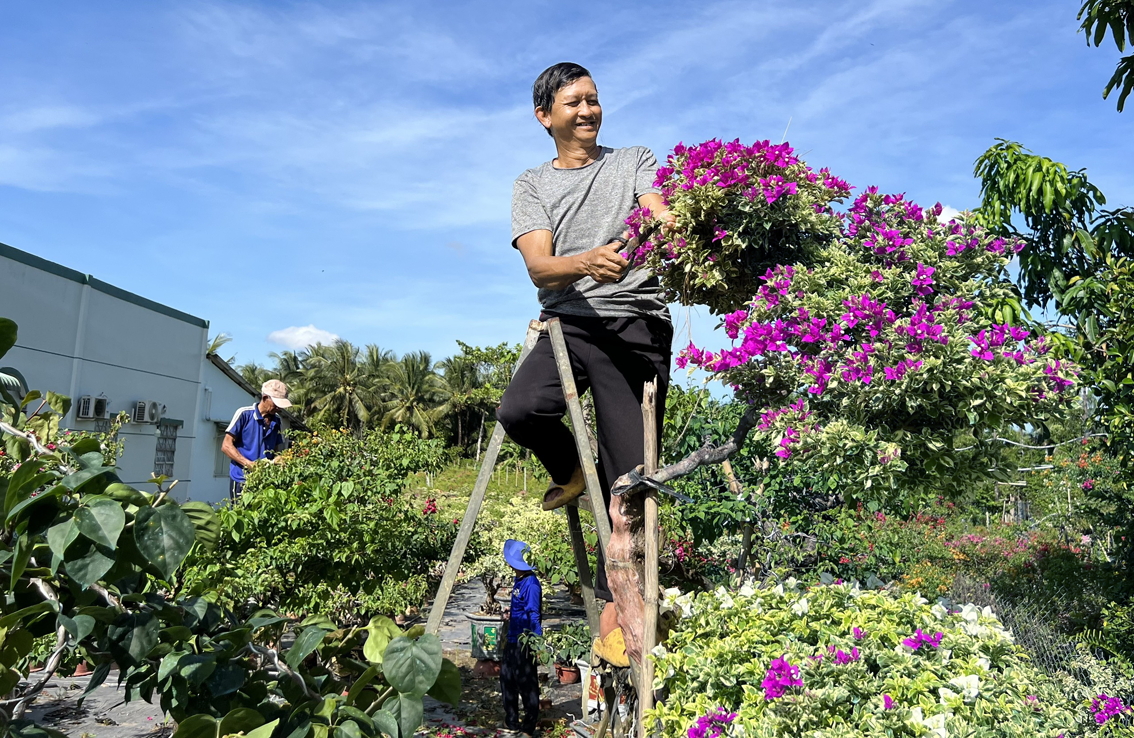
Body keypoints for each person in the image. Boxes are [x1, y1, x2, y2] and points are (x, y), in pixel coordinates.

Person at [495, 62, 672, 664]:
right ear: (545, 116)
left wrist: (673, 227)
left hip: (635, 325)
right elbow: (540, 267)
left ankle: (618, 614)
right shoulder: (531, 184)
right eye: (574, 103)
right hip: (568, 323)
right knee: (520, 409)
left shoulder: (634, 160)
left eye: (594, 100)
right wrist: (586, 261)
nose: (589, 111)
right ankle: (573, 468)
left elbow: (660, 213)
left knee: (630, 483)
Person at [222, 379, 291, 501]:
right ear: (265, 398)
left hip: (265, 479)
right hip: (241, 478)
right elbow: (226, 446)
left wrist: (279, 458)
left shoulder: (277, 420)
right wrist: (249, 464)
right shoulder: (244, 414)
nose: (279, 408)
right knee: (241, 515)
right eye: (276, 404)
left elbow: (276, 449)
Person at [500, 539, 542, 737]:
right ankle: (511, 722)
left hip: (525, 641)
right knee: (507, 679)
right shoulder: (519, 579)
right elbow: (520, 607)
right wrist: (512, 612)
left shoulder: (532, 584)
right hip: (512, 637)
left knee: (527, 683)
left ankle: (528, 726)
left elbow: (534, 614)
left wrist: (537, 643)